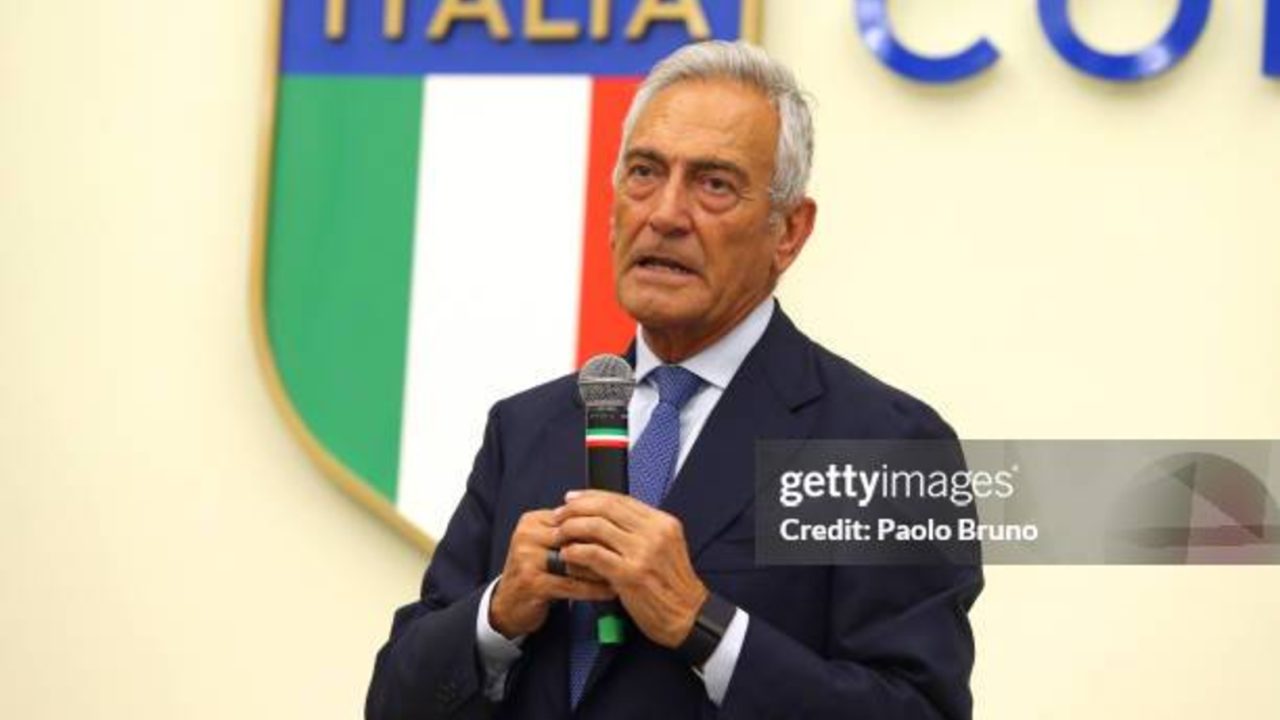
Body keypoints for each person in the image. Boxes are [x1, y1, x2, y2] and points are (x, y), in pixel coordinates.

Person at [365, 41, 981, 720]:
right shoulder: (525, 428)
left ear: (789, 231)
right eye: (644, 172)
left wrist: (701, 622)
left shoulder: (882, 445)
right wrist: (498, 614)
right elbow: (394, 701)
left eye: (714, 184)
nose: (664, 214)